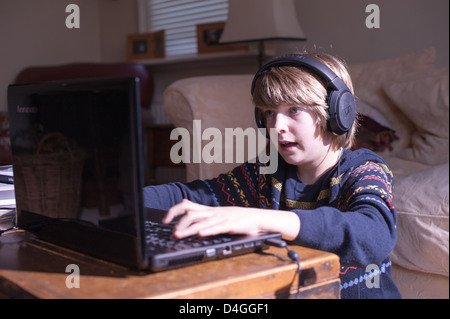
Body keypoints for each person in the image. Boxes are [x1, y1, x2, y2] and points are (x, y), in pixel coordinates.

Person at [143, 52, 401, 299]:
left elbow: (374, 235)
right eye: (269, 112)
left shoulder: (364, 170)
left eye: (294, 110)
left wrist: (261, 220)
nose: (276, 126)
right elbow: (191, 195)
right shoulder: (265, 172)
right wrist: (131, 201)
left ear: (337, 113)